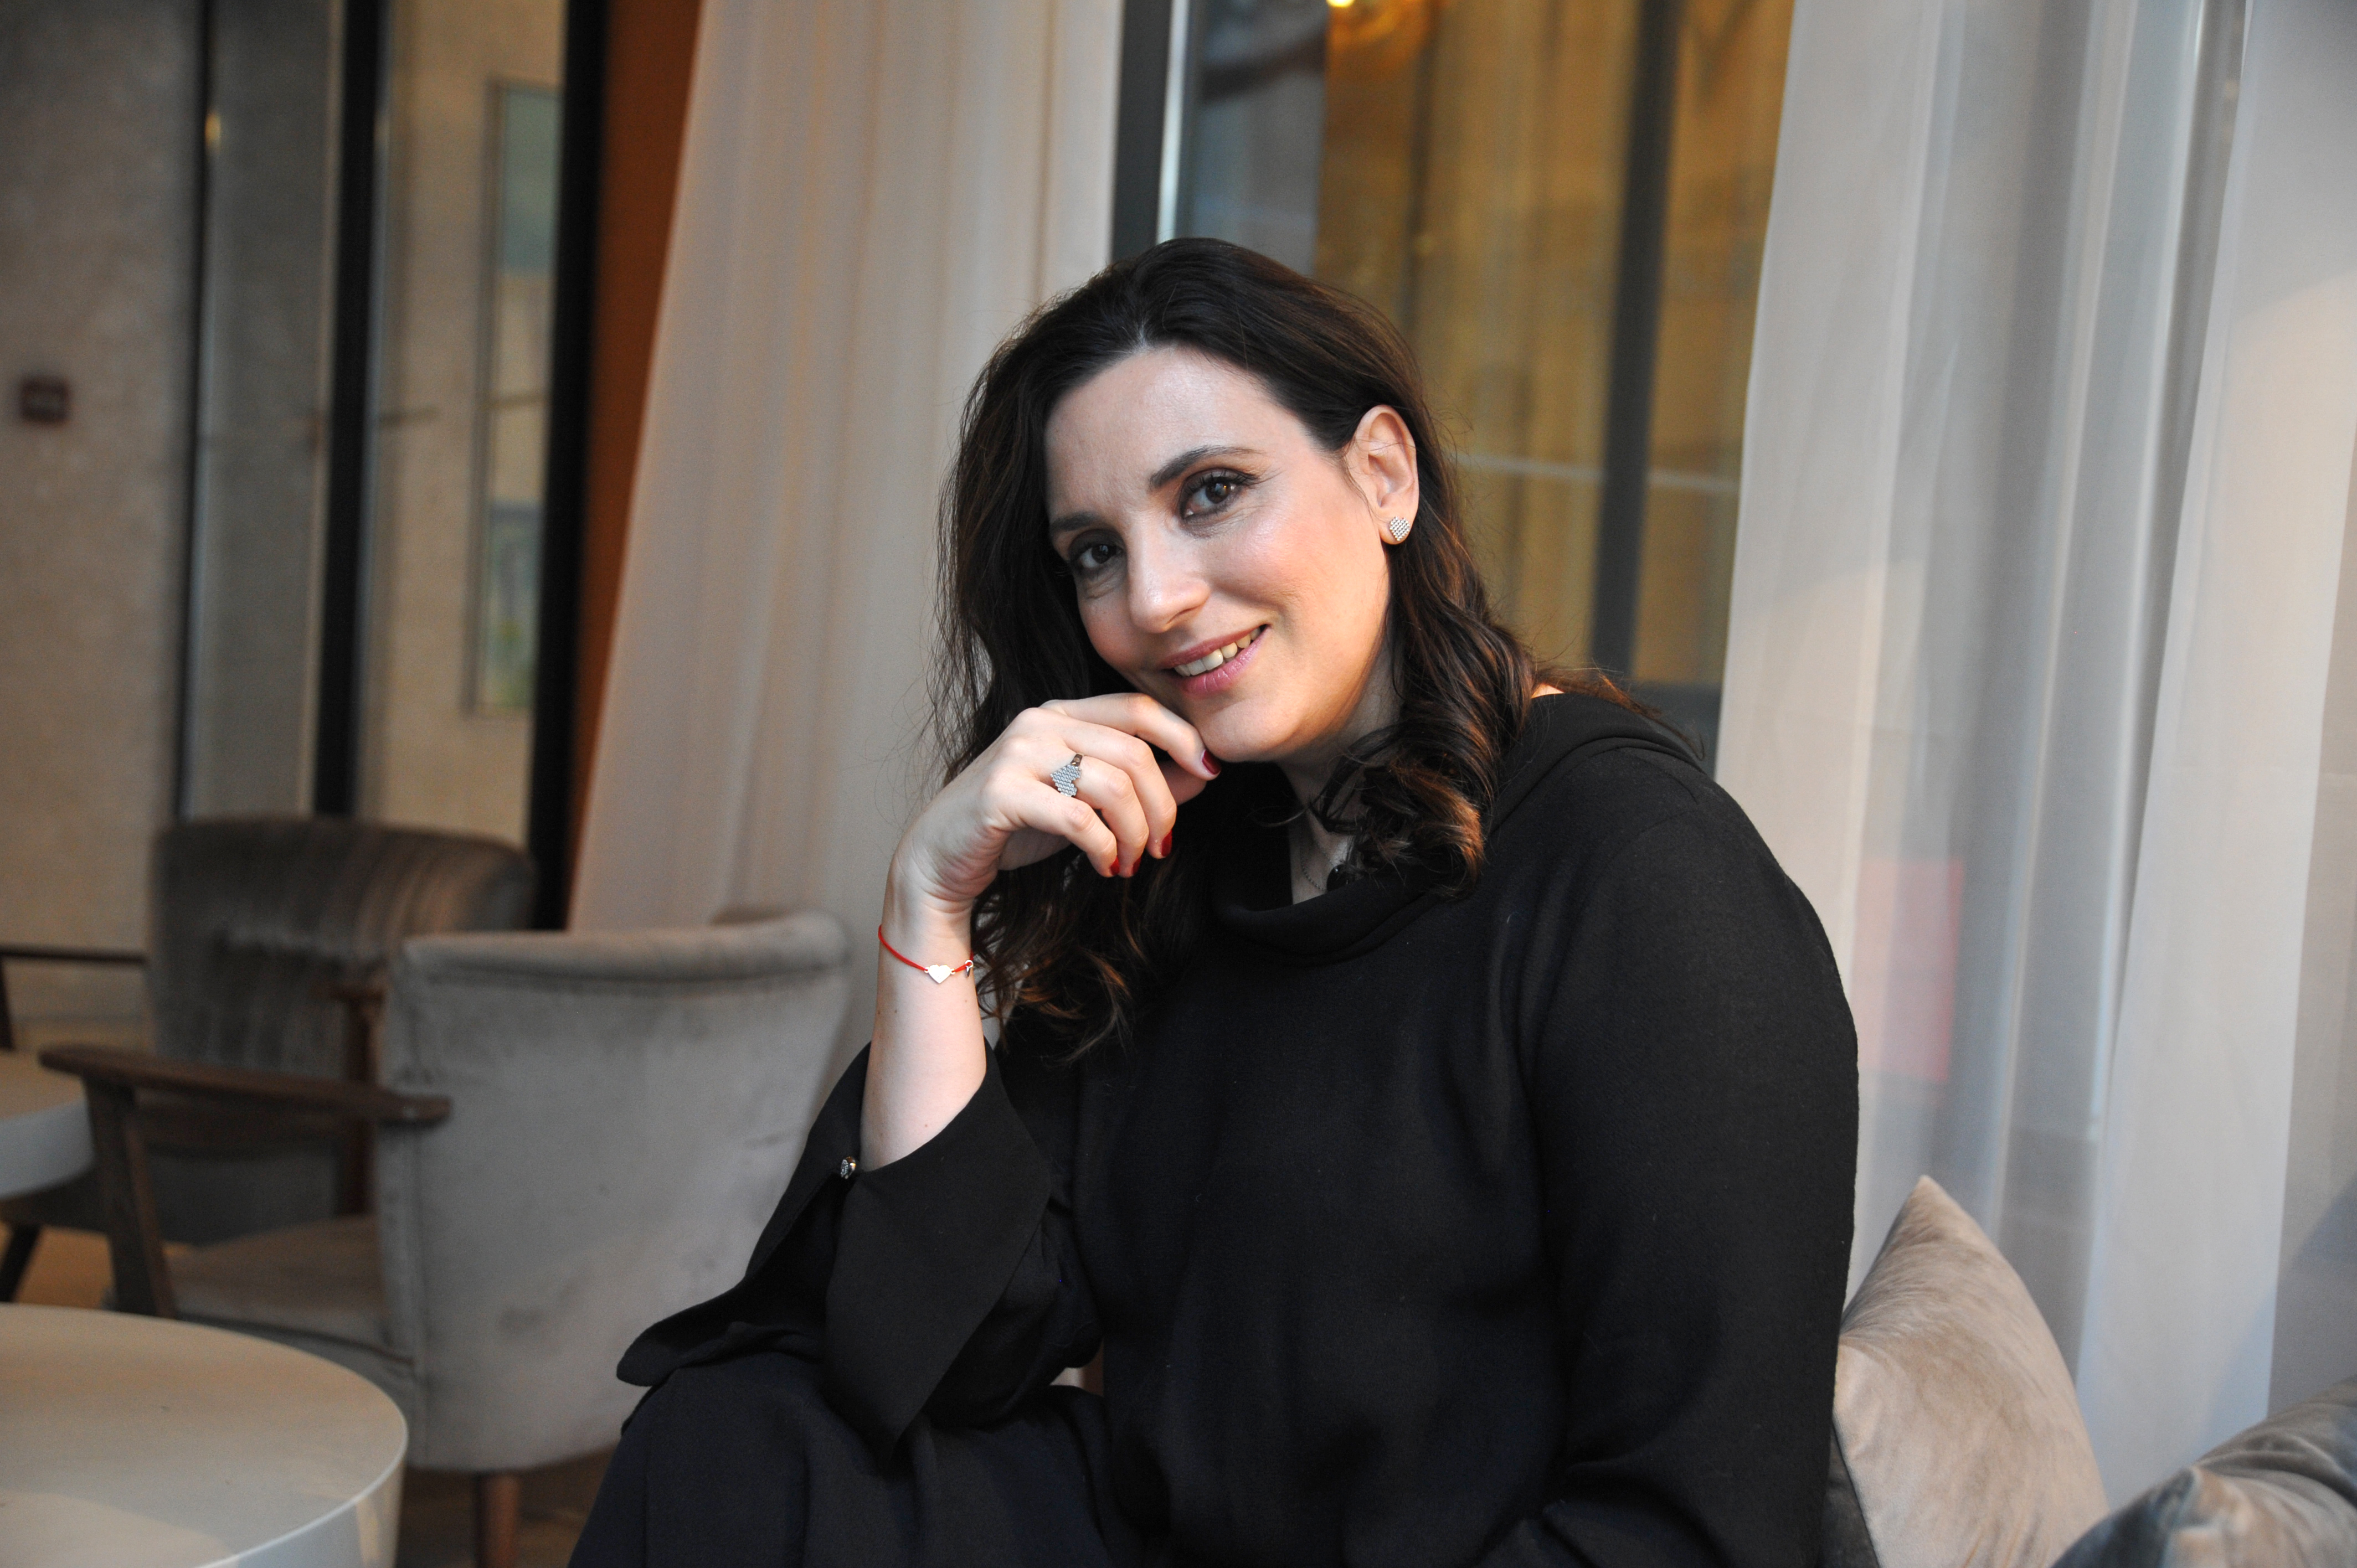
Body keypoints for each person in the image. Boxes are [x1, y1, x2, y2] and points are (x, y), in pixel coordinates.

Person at [570, 238, 1856, 1568]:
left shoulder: (1645, 875)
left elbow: (1694, 1524)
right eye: (1093, 552)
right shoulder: (1199, 861)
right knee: (734, 1433)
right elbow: (940, 1348)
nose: (1155, 600)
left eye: (1212, 493)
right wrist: (929, 906)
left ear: (1384, 475)